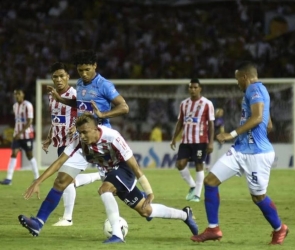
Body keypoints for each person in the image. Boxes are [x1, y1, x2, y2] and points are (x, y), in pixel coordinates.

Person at [18, 114, 199, 244]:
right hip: (109, 173)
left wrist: (150, 191)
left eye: (85, 132)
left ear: (96, 129)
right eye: (80, 132)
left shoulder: (112, 137)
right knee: (146, 211)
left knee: (104, 189)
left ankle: (118, 236)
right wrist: (38, 181)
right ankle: (185, 215)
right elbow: (59, 163)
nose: (82, 136)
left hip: (124, 170)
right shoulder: (79, 141)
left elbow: (135, 165)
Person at [190, 61, 288, 245]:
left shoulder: (254, 89)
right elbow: (268, 123)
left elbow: (258, 117)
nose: (237, 84)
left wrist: (231, 134)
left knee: (258, 197)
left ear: (245, 77)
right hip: (240, 150)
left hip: (256, 154)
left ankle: (279, 228)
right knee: (210, 182)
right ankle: (213, 228)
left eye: (238, 80)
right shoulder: (259, 92)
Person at [42, 62, 102, 226]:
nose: (59, 79)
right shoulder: (51, 96)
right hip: (60, 142)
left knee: (63, 180)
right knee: (67, 179)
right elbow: (55, 119)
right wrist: (49, 137)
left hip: (74, 142)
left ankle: (68, 218)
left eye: (62, 76)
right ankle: (100, 175)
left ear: (68, 76)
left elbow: (86, 114)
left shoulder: (76, 94)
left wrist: (76, 126)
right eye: (55, 76)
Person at [47, 49, 129, 126]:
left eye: (87, 69)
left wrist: (102, 115)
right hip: (84, 134)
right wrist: (59, 99)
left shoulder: (104, 84)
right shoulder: (79, 82)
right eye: (80, 70)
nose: (84, 74)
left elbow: (124, 107)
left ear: (95, 65)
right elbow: (79, 104)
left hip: (100, 132)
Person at [170, 78, 215, 202]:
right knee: (180, 164)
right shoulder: (184, 104)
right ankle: (193, 186)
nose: (193, 89)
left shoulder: (207, 104)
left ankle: (197, 194)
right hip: (186, 141)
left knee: (199, 165)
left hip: (201, 140)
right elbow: (180, 122)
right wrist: (174, 138)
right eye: (191, 87)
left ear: (200, 89)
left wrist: (211, 142)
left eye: (195, 87)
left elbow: (211, 124)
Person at [0, 89, 39, 185]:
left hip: (27, 135)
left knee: (29, 155)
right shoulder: (15, 106)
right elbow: (18, 121)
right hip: (17, 135)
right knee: (13, 154)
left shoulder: (28, 105)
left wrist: (20, 133)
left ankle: (37, 178)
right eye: (15, 94)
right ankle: (9, 179)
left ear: (23, 95)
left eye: (19, 94)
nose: (17, 96)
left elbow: (30, 121)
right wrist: (16, 132)